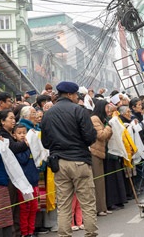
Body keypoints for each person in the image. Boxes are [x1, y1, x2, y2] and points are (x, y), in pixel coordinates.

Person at [40, 81, 98, 237]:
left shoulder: (48, 114)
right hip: (79, 161)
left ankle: (64, 234)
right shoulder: (79, 110)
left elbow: (45, 142)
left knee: (64, 204)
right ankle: (91, 233)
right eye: (76, 95)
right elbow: (90, 137)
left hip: (59, 163)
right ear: (71, 94)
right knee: (87, 203)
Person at [89, 99, 112, 216]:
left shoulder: (101, 119)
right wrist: (109, 127)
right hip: (95, 153)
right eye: (107, 108)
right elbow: (101, 135)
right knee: (97, 181)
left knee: (101, 181)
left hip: (100, 152)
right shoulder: (94, 119)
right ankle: (99, 208)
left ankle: (103, 207)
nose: (108, 110)